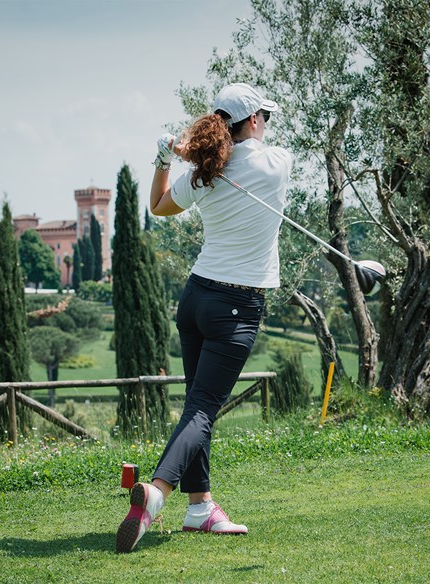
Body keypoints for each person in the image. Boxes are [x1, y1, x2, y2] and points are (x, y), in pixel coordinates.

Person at [116, 83, 292, 554]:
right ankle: (156, 494)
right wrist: (198, 154)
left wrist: (166, 158)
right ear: (254, 120)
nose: (267, 124)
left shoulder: (204, 173)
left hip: (195, 299)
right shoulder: (277, 163)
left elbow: (157, 207)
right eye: (264, 117)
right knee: (202, 410)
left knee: (197, 406)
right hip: (236, 308)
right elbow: (254, 153)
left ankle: (201, 508)